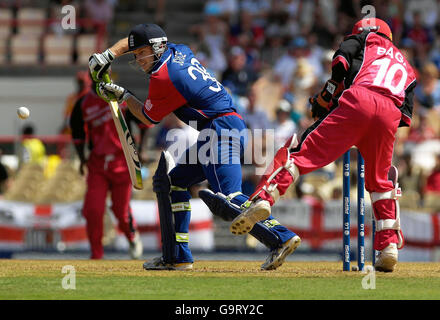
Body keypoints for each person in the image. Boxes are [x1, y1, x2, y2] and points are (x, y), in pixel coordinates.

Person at [201, 18, 417, 273]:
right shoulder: (406, 64)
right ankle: (388, 246)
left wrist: (326, 97)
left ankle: (263, 198)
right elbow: (406, 115)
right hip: (390, 114)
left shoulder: (363, 39)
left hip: (360, 100)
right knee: (381, 182)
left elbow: (341, 64)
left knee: (298, 152)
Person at [88, 23, 300, 271]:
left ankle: (281, 238)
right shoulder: (179, 50)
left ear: (157, 48)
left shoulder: (165, 76)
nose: (138, 59)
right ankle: (177, 256)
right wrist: (107, 55)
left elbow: (148, 117)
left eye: (141, 54)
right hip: (218, 129)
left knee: (228, 198)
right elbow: (134, 39)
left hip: (220, 130)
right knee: (171, 182)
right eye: (135, 55)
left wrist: (123, 96)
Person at [69, 75, 144, 260]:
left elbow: (144, 122)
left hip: (123, 162)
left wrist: (138, 153)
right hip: (97, 164)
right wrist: (81, 159)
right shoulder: (83, 104)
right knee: (93, 210)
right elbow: (77, 134)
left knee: (121, 211)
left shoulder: (122, 96)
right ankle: (96, 253)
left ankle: (132, 236)